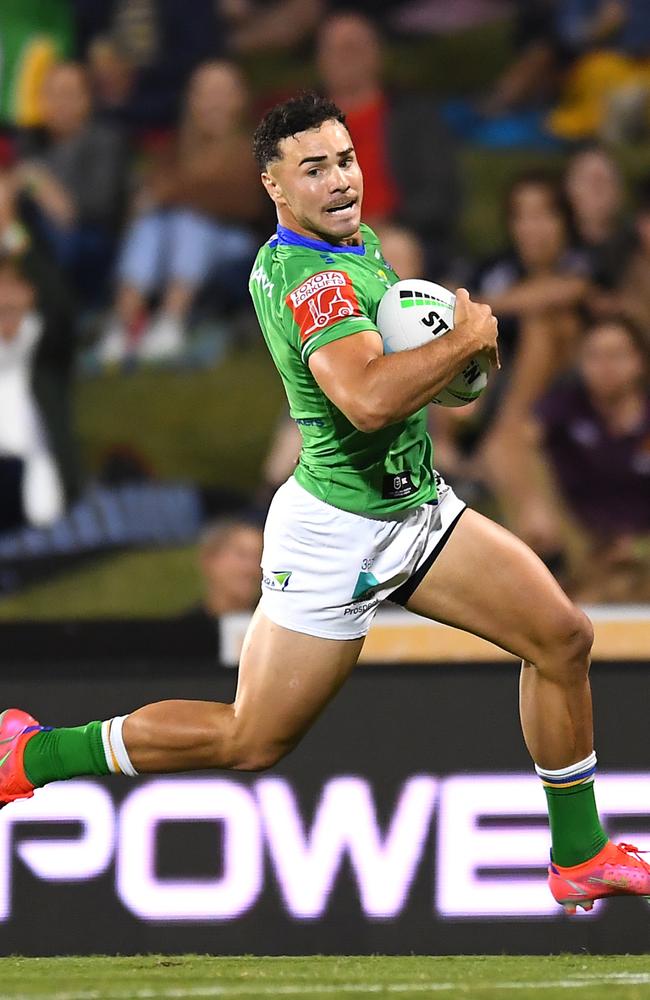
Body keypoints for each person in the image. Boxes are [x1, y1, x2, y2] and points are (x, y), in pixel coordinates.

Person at [2, 92, 649, 915]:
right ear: (275, 187)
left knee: (561, 637)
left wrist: (446, 365)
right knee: (250, 739)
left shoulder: (353, 243)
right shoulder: (310, 279)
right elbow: (370, 401)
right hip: (338, 536)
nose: (340, 179)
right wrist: (463, 341)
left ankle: (579, 854)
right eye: (313, 169)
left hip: (414, 510)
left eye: (344, 159)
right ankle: (34, 754)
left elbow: (399, 381)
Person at [99, 60, 262, 364]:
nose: (214, 103)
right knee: (151, 225)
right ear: (192, 100)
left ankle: (172, 320)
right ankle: (124, 323)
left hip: (237, 244)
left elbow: (242, 201)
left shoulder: (253, 147)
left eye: (222, 93)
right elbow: (149, 193)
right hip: (173, 241)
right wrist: (181, 192)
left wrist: (177, 192)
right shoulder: (176, 148)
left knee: (190, 221)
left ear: (240, 98)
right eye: (206, 93)